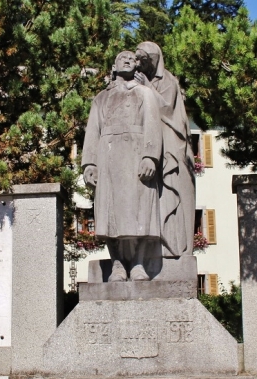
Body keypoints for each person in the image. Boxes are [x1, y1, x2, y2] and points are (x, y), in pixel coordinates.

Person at [82, 51, 163, 282]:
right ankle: (117, 264)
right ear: (114, 67)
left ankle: (138, 264)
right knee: (109, 214)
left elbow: (153, 125)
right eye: (122, 58)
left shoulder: (144, 93)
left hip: (136, 154)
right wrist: (89, 163)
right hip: (107, 157)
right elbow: (92, 131)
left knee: (140, 212)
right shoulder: (101, 98)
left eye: (131, 58)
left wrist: (150, 156)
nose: (127, 60)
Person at [135, 41, 196, 258]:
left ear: (156, 60)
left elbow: (166, 108)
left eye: (146, 61)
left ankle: (172, 244)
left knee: (169, 191)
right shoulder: (138, 79)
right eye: (139, 60)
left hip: (170, 141)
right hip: (147, 146)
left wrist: (147, 88)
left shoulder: (168, 80)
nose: (142, 65)